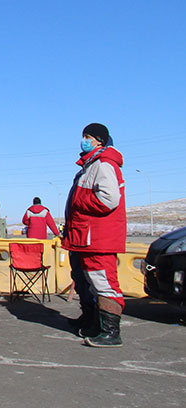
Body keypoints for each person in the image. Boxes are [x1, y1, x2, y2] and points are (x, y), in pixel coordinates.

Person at [62, 123, 127, 347]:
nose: (84, 139)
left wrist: (79, 202)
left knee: (103, 281)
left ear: (99, 140)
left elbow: (109, 199)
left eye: (87, 136)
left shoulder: (104, 164)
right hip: (85, 237)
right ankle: (94, 322)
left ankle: (111, 331)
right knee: (88, 281)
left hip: (99, 238)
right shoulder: (89, 166)